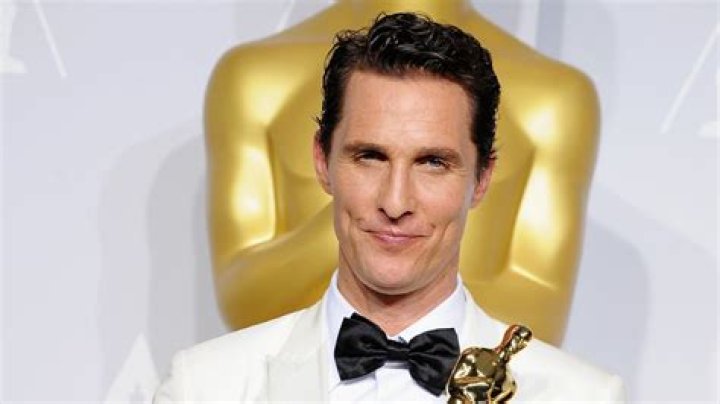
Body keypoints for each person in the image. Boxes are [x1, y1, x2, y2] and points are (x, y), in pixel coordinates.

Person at [154, 12, 623, 402]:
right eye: (370, 157)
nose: (396, 202)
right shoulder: (205, 388)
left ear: (482, 178)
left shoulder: (581, 398)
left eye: (432, 162)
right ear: (322, 161)